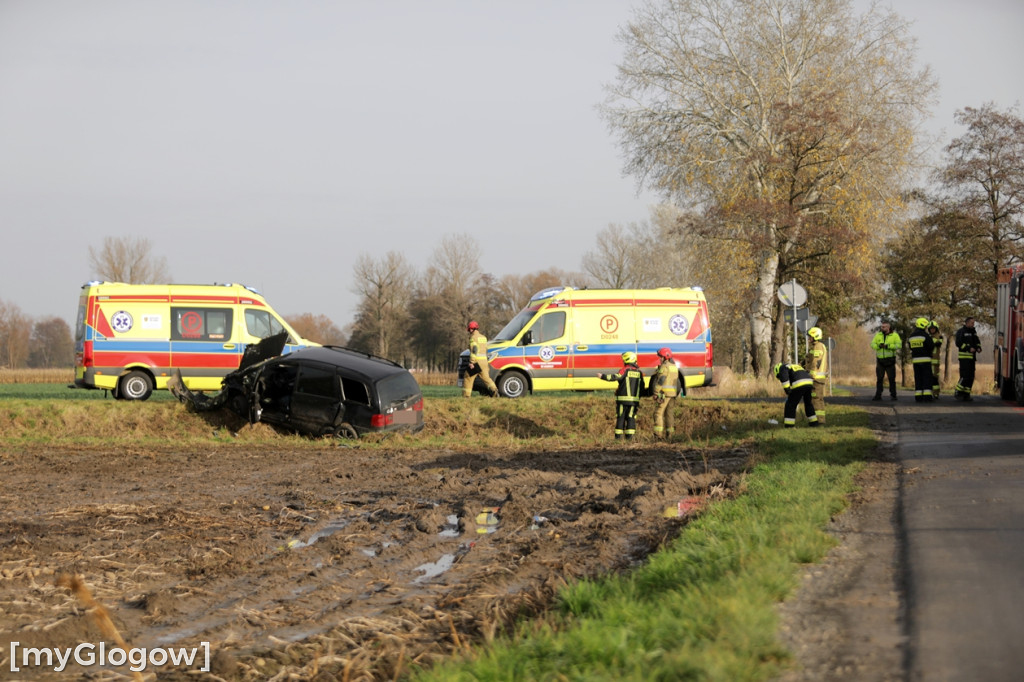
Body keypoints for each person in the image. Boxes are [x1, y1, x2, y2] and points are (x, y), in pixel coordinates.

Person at [598, 351, 644, 440]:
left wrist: (602, 376)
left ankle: (618, 438)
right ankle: (630, 438)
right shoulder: (639, 372)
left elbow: (616, 377)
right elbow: (641, 386)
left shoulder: (625, 370)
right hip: (634, 402)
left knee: (621, 417)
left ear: (627, 360)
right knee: (631, 418)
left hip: (623, 401)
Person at [649, 347, 685, 439]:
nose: (659, 359)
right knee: (669, 414)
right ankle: (670, 436)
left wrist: (656, 392)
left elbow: (661, 380)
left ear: (665, 357)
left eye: (660, 357)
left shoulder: (664, 366)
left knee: (658, 413)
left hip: (664, 394)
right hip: (672, 394)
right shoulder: (674, 367)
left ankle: (658, 435)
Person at [772, 362, 819, 427]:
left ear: (777, 371)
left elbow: (784, 378)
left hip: (799, 383)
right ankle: (814, 423)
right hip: (809, 383)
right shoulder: (793, 366)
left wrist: (787, 390)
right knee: (808, 404)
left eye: (778, 376)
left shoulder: (782, 368)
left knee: (790, 405)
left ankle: (789, 425)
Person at [463, 321, 499, 398]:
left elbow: (474, 350)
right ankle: (495, 391)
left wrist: (472, 362)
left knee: (468, 377)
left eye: (469, 329)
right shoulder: (483, 338)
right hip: (484, 361)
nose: (469, 331)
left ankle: (466, 396)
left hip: (476, 362)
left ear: (472, 329)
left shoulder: (473, 338)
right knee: (486, 378)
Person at [803, 326, 828, 425]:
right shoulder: (815, 346)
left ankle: (820, 420)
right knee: (815, 399)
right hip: (817, 378)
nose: (808, 338)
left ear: (815, 336)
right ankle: (816, 420)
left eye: (810, 336)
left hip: (816, 378)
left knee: (816, 399)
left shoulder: (818, 346)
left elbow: (816, 362)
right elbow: (809, 360)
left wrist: (811, 374)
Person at [871, 321, 902, 400]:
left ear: (888, 327)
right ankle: (878, 395)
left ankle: (893, 395)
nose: (882, 328)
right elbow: (872, 344)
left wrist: (888, 346)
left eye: (884, 327)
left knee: (891, 379)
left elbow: (899, 345)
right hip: (880, 361)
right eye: (882, 327)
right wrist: (879, 346)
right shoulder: (878, 335)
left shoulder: (895, 335)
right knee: (879, 379)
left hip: (890, 360)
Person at [954, 316, 982, 401]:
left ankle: (966, 394)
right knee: (965, 376)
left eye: (974, 323)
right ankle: (958, 391)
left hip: (972, 358)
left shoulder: (973, 332)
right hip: (964, 358)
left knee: (971, 377)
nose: (973, 324)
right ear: (967, 323)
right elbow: (958, 343)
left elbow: (977, 341)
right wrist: (968, 348)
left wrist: (978, 347)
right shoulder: (961, 331)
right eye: (972, 323)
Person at [907, 317, 935, 402]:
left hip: (916, 360)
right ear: (923, 325)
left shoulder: (911, 336)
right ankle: (927, 396)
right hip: (925, 360)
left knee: (918, 378)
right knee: (926, 378)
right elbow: (931, 346)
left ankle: (918, 396)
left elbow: (911, 347)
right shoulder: (925, 335)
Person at [927, 320, 942, 399]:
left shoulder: (939, 336)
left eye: (933, 328)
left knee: (935, 378)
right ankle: (930, 392)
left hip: (935, 361)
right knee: (929, 378)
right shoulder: (928, 337)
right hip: (928, 360)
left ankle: (936, 393)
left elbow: (938, 343)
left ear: (936, 329)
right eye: (930, 329)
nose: (932, 330)